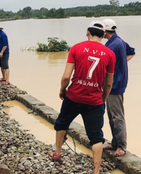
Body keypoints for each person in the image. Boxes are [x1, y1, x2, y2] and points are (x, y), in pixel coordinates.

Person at [48, 20, 116, 174]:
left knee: (62, 123)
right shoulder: (110, 54)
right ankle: (96, 170)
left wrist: (62, 90)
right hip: (95, 101)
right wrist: (102, 99)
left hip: (73, 96)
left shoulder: (77, 48)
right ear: (103, 34)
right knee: (96, 136)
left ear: (87, 32)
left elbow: (66, 76)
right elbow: (109, 84)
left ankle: (57, 153)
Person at [102, 18, 135, 157]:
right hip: (116, 83)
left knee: (117, 116)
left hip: (114, 85)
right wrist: (122, 63)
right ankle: (115, 143)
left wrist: (120, 65)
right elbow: (131, 52)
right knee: (112, 115)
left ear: (105, 31)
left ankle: (121, 146)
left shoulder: (112, 46)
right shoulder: (118, 41)